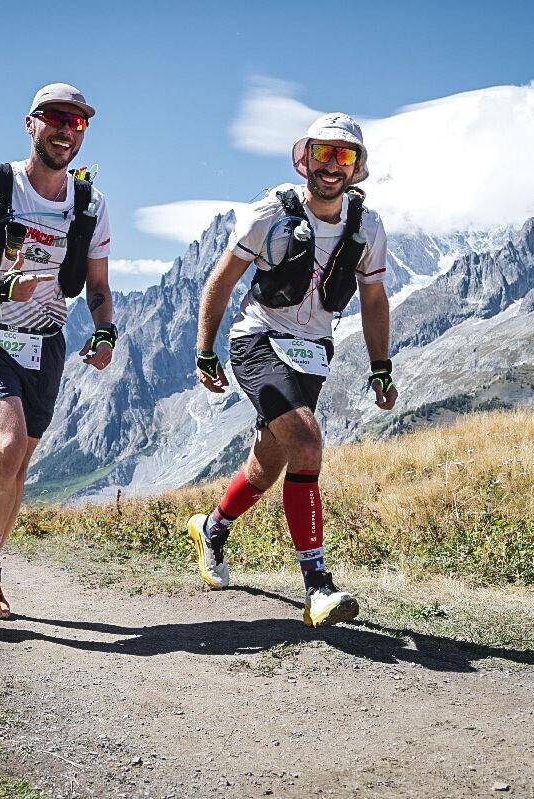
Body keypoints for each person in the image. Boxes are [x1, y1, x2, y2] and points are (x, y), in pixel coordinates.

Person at [189, 113, 398, 628]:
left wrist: (381, 368)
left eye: (344, 156)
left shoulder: (367, 227)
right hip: (257, 339)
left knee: (269, 461)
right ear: (304, 157)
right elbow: (221, 281)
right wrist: (205, 350)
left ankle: (212, 528)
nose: (331, 166)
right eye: (323, 154)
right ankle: (318, 586)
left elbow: (373, 298)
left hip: (313, 352)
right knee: (306, 442)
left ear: (357, 168)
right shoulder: (269, 213)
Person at [0, 83, 116, 619]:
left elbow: (99, 284)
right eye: (56, 117)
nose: (66, 128)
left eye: (78, 122)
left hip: (45, 344)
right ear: (30, 123)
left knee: (19, 465)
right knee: (8, 444)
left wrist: (105, 328)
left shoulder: (90, 204)